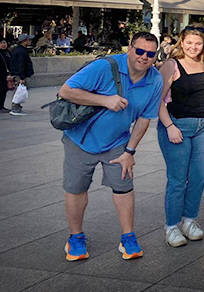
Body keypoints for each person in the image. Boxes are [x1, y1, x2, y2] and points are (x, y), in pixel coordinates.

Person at [57, 32, 163, 260]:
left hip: (117, 142)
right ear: (130, 48)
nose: (144, 57)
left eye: (150, 54)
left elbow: (144, 119)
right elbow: (65, 91)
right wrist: (105, 100)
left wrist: (130, 151)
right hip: (81, 139)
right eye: (140, 51)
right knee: (76, 188)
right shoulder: (104, 67)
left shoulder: (155, 79)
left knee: (124, 186)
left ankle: (128, 238)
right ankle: (75, 238)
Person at [157, 24, 204, 247]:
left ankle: (189, 220)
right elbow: (158, 100)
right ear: (181, 42)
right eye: (189, 42)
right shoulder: (172, 65)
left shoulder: (203, 63)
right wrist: (170, 126)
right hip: (177, 126)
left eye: (198, 43)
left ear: (203, 45)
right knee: (178, 180)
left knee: (199, 177)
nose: (193, 46)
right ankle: (171, 226)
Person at [9, 34, 34, 116]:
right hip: (19, 75)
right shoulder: (21, 51)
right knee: (19, 92)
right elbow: (20, 64)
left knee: (19, 91)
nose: (30, 41)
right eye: (29, 40)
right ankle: (15, 108)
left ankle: (17, 107)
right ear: (24, 41)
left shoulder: (19, 50)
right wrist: (22, 77)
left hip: (18, 73)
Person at [0, 38, 10, 112]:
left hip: (5, 75)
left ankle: (1, 106)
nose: (3, 45)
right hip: (1, 75)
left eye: (4, 42)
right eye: (1, 43)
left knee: (4, 91)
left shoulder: (7, 52)